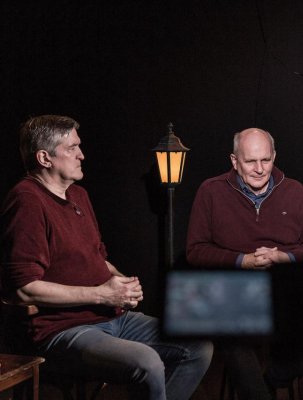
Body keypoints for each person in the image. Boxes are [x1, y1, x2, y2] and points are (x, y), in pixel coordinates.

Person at [0, 115, 213, 400]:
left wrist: (123, 285)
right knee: (147, 362)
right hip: (63, 329)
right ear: (44, 158)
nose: (81, 154)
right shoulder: (27, 201)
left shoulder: (79, 195)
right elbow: (23, 289)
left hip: (112, 316)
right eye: (72, 148)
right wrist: (103, 294)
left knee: (197, 346)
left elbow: (97, 259)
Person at [186, 128, 303, 399]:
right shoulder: (211, 191)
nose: (260, 169)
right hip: (233, 291)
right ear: (234, 161)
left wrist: (284, 257)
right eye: (250, 161)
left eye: (266, 160)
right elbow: (196, 250)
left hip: (285, 289)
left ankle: (272, 380)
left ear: (274, 156)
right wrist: (243, 261)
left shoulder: (294, 191)